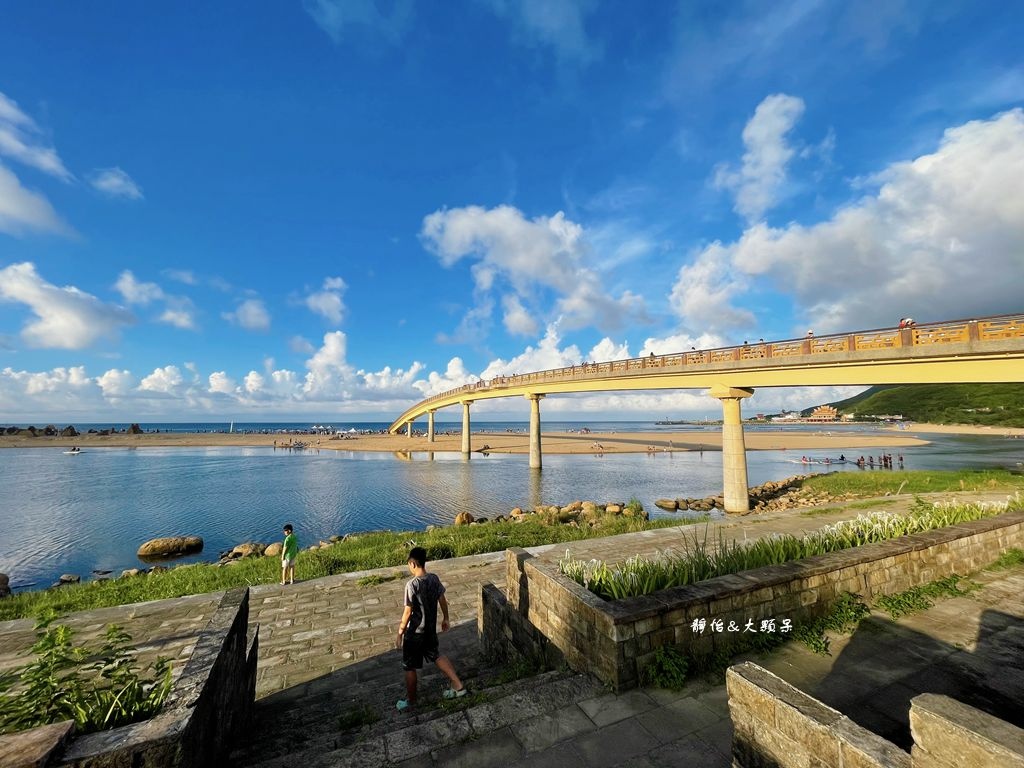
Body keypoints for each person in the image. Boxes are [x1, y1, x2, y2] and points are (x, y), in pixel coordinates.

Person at [395, 547, 465, 710]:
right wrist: (445, 618)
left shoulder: (412, 585)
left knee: (409, 666)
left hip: (415, 633)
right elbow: (442, 599)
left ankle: (411, 702)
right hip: (430, 630)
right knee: (436, 654)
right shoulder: (434, 579)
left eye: (408, 564)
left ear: (413, 564)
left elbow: (407, 612)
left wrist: (400, 633)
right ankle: (458, 685)